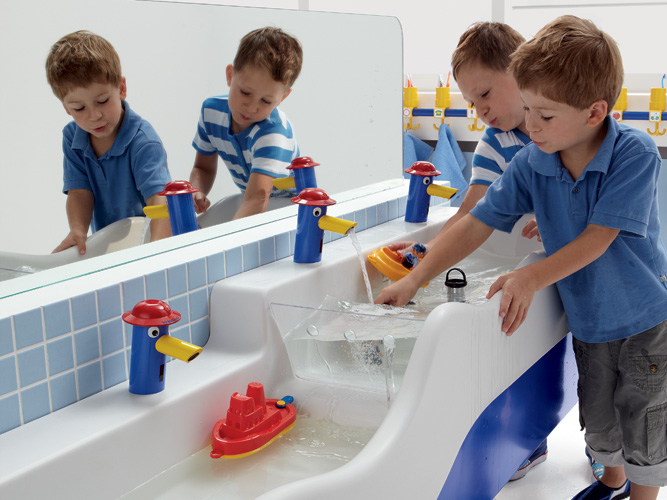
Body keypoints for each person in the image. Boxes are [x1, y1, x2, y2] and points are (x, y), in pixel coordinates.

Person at [376, 15, 667, 500]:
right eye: (528, 108)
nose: (530, 125)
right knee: (599, 421)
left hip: (644, 320)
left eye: (545, 116)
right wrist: (415, 278)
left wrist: (531, 276)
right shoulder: (534, 160)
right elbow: (476, 221)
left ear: (595, 113)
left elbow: (599, 238)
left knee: (644, 422)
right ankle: (610, 482)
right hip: (590, 321)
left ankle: (639, 495)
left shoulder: (633, 154)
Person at [394, 22, 552, 481]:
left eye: (484, 94)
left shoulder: (558, 126)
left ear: (520, 72)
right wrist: (426, 253)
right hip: (526, 251)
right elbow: (473, 211)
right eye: (471, 102)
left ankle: (596, 450)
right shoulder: (495, 142)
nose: (480, 110)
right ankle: (524, 436)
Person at [46, 30, 172, 255]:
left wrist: (157, 251)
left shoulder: (143, 142)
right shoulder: (73, 138)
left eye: (102, 101)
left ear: (121, 89)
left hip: (149, 239)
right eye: (79, 108)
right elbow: (79, 192)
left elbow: (159, 200)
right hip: (110, 247)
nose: (94, 116)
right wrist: (78, 230)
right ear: (66, 108)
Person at [189, 26, 302, 220]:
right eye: (245, 92)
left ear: (283, 97)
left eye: (266, 101)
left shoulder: (274, 134)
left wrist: (227, 237)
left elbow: (257, 199)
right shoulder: (211, 112)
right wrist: (197, 190)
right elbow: (203, 168)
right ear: (230, 75)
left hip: (291, 213)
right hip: (252, 201)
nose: (251, 107)